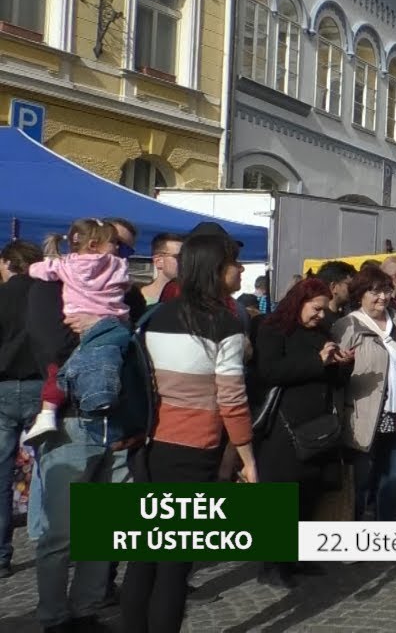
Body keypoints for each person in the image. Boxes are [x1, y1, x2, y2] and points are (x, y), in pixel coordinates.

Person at [121, 233, 258, 632]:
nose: (242, 270)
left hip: (150, 445)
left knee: (144, 557)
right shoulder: (224, 325)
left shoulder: (154, 317)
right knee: (174, 567)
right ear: (217, 270)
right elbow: (232, 400)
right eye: (236, 263)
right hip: (195, 449)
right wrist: (248, 460)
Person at [251, 277, 351, 589]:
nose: (321, 315)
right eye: (316, 309)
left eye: (323, 310)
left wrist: (342, 365)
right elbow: (269, 372)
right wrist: (316, 361)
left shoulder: (322, 332)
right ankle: (272, 565)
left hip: (317, 425)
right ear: (299, 301)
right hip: (283, 426)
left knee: (310, 491)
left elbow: (332, 379)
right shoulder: (272, 329)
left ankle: (298, 555)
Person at [21, 220, 133, 446]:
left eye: (126, 249)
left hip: (114, 422)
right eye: (116, 244)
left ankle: (47, 413)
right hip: (75, 420)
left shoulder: (64, 267)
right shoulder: (117, 269)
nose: (120, 252)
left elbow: (39, 269)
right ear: (95, 244)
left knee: (58, 374)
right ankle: (96, 401)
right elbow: (54, 344)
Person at [332, 267, 396, 522]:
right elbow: (337, 373)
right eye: (375, 291)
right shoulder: (347, 326)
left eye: (386, 290)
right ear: (360, 294)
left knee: (392, 478)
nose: (382, 297)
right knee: (360, 480)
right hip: (362, 414)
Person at [0, 240, 45, 580]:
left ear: (6, 263)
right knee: (51, 471)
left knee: (0, 476)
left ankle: (1, 553)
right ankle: (52, 543)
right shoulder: (47, 296)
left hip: (2, 388)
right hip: (41, 387)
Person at [139, 233, 183, 306]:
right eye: (178, 257)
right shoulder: (134, 300)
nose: (184, 261)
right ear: (158, 261)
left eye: (187, 257)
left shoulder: (189, 300)